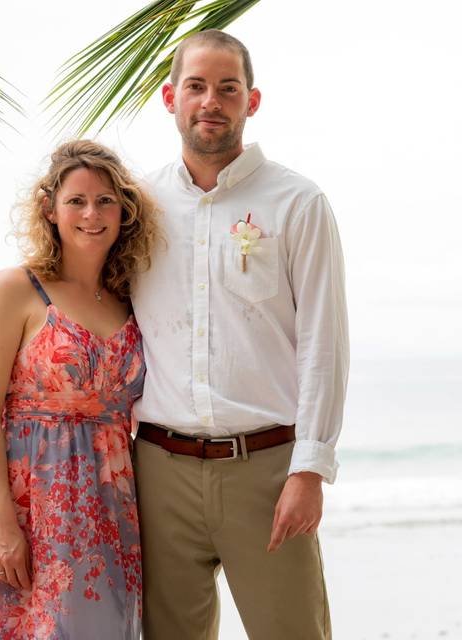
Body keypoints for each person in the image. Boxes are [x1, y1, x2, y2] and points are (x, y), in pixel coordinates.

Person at [132, 29, 348, 639]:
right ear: (170, 97)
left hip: (267, 469)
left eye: (228, 88)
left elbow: (324, 344)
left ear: (251, 102)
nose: (211, 101)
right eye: (196, 86)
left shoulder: (298, 202)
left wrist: (310, 470)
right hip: (158, 470)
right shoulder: (139, 204)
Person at [0, 140, 160, 639]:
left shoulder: (131, 298)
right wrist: (3, 525)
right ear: (50, 209)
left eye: (105, 201)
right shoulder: (17, 289)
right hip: (31, 509)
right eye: (76, 201)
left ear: (124, 211)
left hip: (112, 511)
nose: (92, 214)